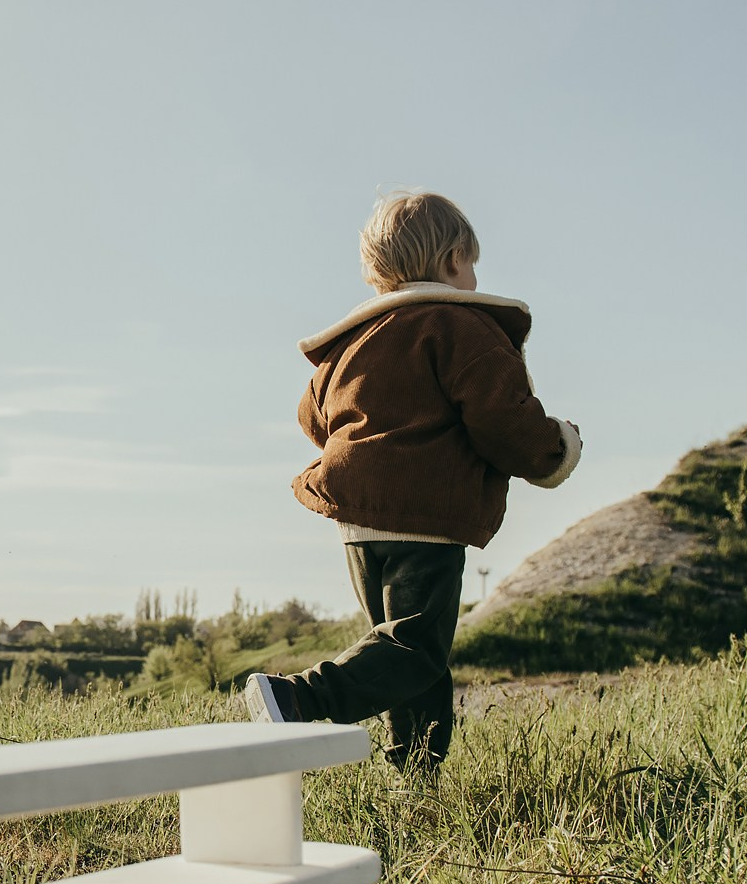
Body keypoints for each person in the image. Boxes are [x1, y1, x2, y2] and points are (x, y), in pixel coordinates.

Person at [245, 190, 581, 774]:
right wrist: (557, 446)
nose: (474, 278)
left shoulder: (352, 341)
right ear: (453, 260)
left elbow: (313, 418)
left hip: (357, 517)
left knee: (405, 647)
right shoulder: (459, 327)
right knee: (416, 647)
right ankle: (296, 697)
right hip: (424, 511)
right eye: (472, 264)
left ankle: (417, 773)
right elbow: (503, 419)